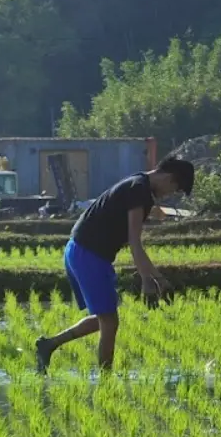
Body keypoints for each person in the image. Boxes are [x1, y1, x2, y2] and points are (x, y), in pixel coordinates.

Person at [34, 157, 196, 372]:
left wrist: (159, 279)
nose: (170, 194)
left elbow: (134, 243)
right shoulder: (138, 189)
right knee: (109, 322)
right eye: (174, 189)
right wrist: (147, 280)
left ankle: (50, 344)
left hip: (87, 253)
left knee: (104, 316)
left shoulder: (140, 187)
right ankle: (106, 382)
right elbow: (134, 241)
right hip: (88, 253)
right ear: (168, 177)